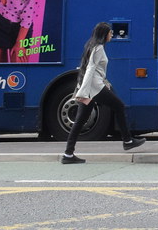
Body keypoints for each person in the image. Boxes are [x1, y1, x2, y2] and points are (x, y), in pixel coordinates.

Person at [61, 22, 145, 164]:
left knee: (80, 120)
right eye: (110, 33)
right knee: (119, 106)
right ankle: (127, 140)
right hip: (94, 87)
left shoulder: (91, 45)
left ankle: (68, 154)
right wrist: (84, 91)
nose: (112, 35)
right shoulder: (98, 48)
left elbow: (89, 68)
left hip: (94, 86)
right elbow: (90, 69)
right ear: (104, 34)